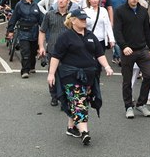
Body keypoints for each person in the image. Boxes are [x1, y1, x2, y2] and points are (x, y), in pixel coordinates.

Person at [47, 9, 113, 146]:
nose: (84, 20)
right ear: (73, 20)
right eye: (81, 18)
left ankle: (71, 127)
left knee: (82, 100)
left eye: (85, 18)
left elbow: (99, 53)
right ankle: (84, 132)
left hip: (88, 76)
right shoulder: (65, 36)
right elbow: (56, 56)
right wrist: (51, 74)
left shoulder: (90, 35)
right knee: (79, 102)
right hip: (70, 75)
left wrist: (107, 67)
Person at [113, 0, 150, 119]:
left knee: (148, 76)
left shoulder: (143, 11)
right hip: (128, 51)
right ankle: (128, 106)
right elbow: (117, 31)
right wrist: (123, 46)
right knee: (127, 81)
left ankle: (141, 103)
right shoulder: (120, 11)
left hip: (143, 49)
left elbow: (147, 31)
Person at [39, 0, 72, 107]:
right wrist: (41, 47)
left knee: (66, 75)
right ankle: (53, 96)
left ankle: (64, 96)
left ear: (68, 1)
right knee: (52, 73)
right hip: (52, 49)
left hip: (68, 51)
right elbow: (42, 31)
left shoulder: (71, 17)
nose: (61, 1)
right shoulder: (49, 15)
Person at [7, 0, 44, 78]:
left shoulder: (35, 5)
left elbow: (40, 18)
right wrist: (10, 30)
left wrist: (44, 27)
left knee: (33, 51)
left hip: (34, 31)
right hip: (24, 31)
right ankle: (25, 70)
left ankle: (31, 66)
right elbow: (14, 17)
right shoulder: (20, 5)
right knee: (25, 51)